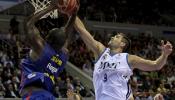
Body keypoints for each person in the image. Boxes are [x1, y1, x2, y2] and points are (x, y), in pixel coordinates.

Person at [73, 17, 173, 100]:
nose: (112, 37)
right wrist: (73, 13)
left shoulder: (129, 59)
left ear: (122, 44)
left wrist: (165, 55)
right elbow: (82, 30)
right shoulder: (101, 51)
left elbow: (155, 65)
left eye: (116, 37)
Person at [19, 1, 78, 100]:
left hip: (32, 94)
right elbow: (66, 33)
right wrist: (74, 14)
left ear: (48, 38)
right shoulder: (64, 54)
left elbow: (28, 24)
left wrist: (50, 8)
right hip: (48, 95)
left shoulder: (41, 48)